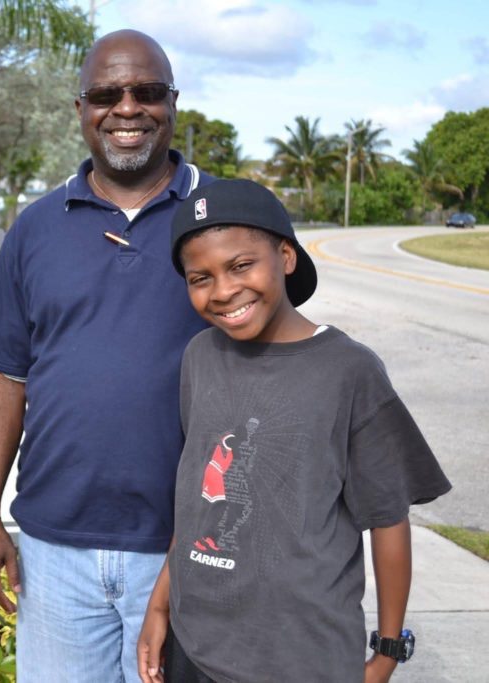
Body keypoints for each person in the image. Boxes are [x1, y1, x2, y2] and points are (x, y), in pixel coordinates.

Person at [0, 29, 214, 681]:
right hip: (55, 553)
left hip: (185, 547)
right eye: (107, 93)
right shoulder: (35, 228)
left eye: (147, 91)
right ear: (80, 109)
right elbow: (5, 376)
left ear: (173, 102)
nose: (127, 108)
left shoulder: (219, 219)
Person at [136, 179, 451, 683]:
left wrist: (387, 651)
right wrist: (159, 608)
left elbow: (388, 519)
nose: (223, 290)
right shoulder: (200, 358)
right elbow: (195, 502)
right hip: (197, 647)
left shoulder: (349, 371)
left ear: (285, 256)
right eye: (200, 277)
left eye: (241, 266)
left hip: (302, 657)